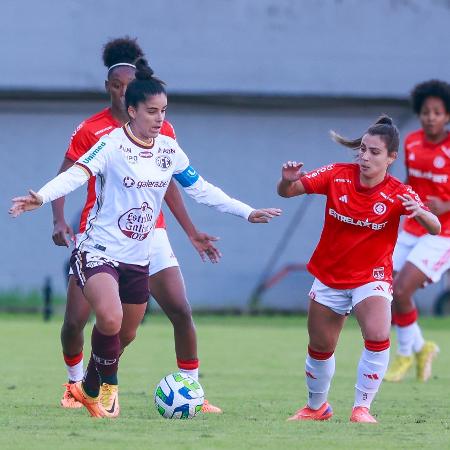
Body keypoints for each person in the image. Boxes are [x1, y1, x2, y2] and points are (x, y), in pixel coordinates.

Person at [9, 58, 281, 418]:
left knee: (127, 334)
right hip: (99, 250)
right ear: (132, 111)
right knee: (109, 318)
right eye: (152, 111)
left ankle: (88, 386)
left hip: (139, 256)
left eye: (164, 111)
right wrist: (41, 198)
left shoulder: (168, 149)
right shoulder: (109, 144)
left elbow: (200, 189)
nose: (159, 119)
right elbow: (75, 175)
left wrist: (245, 211)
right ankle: (109, 390)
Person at [53, 37, 222, 413]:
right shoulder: (92, 130)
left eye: (128, 84)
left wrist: (191, 231)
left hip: (151, 233)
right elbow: (68, 173)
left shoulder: (163, 129)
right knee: (75, 320)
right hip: (100, 235)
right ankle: (74, 381)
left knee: (177, 308)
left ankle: (191, 390)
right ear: (111, 88)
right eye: (116, 85)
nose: (122, 91)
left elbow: (169, 185)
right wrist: (58, 218)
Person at [277, 116, 440, 423]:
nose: (365, 156)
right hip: (330, 274)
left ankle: (361, 408)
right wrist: (287, 180)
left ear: (391, 157)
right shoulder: (337, 175)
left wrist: (420, 212)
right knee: (320, 347)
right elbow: (288, 192)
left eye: (374, 152)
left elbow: (433, 227)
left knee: (378, 334)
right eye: (362, 149)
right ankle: (317, 408)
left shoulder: (398, 192)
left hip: (372, 276)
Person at [385, 80, 450, 382]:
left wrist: (445, 205)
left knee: (401, 289)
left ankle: (404, 355)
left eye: (437, 112)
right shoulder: (410, 143)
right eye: (426, 112)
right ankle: (423, 347)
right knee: (384, 285)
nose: (431, 117)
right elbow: (411, 185)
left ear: (447, 116)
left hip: (443, 235)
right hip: (411, 227)